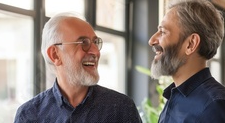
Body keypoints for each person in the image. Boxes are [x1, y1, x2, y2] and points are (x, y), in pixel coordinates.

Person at [14, 13, 142, 123]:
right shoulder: (29, 115)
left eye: (96, 43)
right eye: (84, 43)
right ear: (55, 55)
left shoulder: (122, 108)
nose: (96, 52)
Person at [148, 0, 225, 123]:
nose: (152, 40)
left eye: (162, 32)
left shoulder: (214, 106)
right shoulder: (176, 97)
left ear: (191, 44)